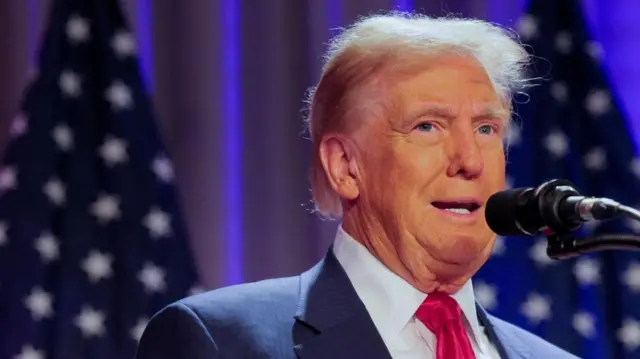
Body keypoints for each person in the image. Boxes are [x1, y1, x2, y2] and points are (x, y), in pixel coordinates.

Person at [135, 12, 579, 359]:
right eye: (427, 126)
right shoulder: (221, 343)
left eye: (486, 129)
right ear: (345, 166)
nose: (469, 160)